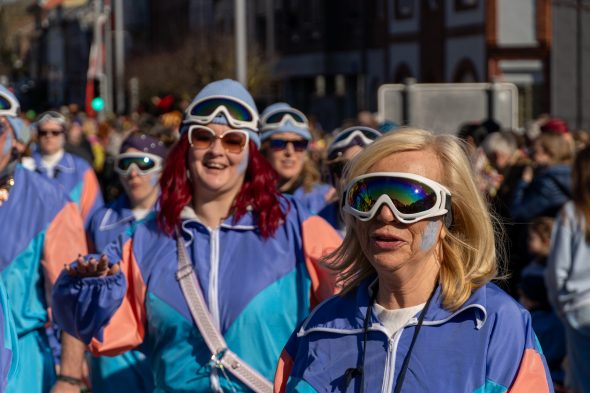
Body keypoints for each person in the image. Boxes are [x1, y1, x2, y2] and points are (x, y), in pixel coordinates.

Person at [51, 79, 342, 392]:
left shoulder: (297, 227)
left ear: (251, 153)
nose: (217, 150)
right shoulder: (146, 238)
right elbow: (96, 327)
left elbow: (356, 313)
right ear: (185, 150)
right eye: (203, 137)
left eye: (233, 141)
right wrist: (85, 291)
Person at [275, 128, 553, 393]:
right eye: (366, 197)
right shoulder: (320, 328)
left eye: (408, 198)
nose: (384, 215)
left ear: (449, 217)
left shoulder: (496, 325)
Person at [0, 85, 88, 392]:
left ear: (18, 139)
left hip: (21, 370)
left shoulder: (50, 202)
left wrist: (69, 377)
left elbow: (73, 295)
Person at [85, 129, 172, 393]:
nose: (133, 172)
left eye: (145, 163)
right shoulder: (101, 220)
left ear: (163, 169)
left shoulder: (178, 219)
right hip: (114, 351)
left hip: (164, 342)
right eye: (125, 164)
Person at [546, 145, 590, 393]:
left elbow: (557, 269)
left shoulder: (572, 213)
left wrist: (561, 306)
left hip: (579, 307)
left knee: (582, 381)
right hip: (578, 306)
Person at [31, 111, 104, 230]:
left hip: (71, 242)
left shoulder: (80, 168)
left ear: (63, 135)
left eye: (55, 132)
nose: (48, 136)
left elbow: (93, 211)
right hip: (34, 244)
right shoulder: (25, 167)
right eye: (43, 132)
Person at [260, 103, 334, 214]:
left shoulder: (325, 199)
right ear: (264, 149)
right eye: (279, 143)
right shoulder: (247, 199)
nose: (290, 152)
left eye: (299, 144)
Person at [318, 126, 382, 236]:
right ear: (333, 180)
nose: (355, 177)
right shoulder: (316, 226)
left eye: (366, 168)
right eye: (345, 168)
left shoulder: (395, 224)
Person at [511, 131, 573, 223]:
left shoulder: (547, 183)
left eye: (535, 151)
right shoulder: (570, 175)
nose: (531, 156)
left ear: (549, 153)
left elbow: (518, 213)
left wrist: (523, 183)